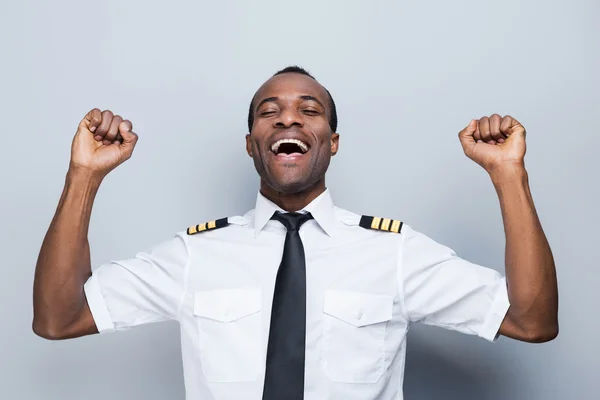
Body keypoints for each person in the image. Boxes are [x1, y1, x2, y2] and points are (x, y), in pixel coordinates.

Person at [32, 66, 559, 400]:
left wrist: (509, 174)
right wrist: (84, 175)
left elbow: (532, 321)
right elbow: (60, 317)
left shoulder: (393, 252)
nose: (288, 120)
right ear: (250, 143)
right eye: (270, 112)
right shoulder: (197, 254)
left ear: (331, 142)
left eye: (309, 111)